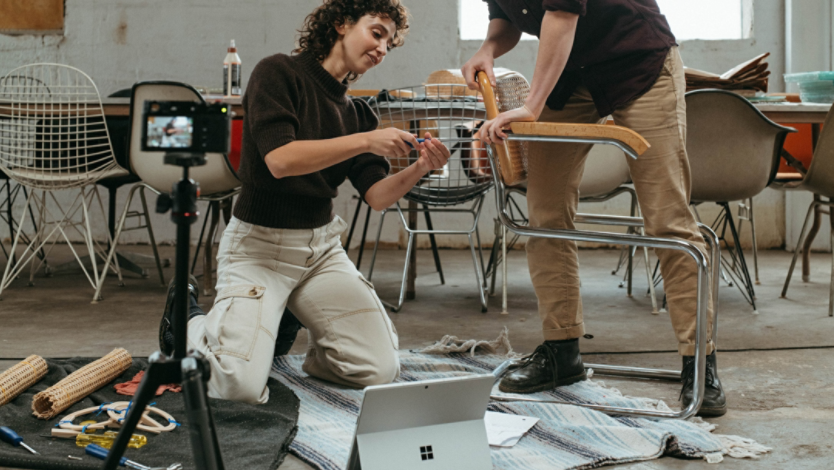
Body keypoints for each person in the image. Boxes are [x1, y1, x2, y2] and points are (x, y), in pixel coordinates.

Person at [159, 0, 453, 405]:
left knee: (377, 370)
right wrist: (367, 140)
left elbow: (378, 196)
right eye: (376, 32)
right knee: (236, 387)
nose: (382, 48)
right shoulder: (277, 73)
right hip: (258, 249)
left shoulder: (358, 113)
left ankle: (277, 324)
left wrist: (420, 167)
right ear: (341, 23)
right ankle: (188, 321)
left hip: (319, 253)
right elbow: (280, 160)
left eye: (390, 43)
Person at [461, 0, 725, 416]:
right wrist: (489, 48)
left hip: (640, 65)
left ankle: (699, 364)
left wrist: (531, 106)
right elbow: (507, 17)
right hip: (569, 72)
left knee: (667, 220)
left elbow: (562, 16)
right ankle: (562, 353)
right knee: (545, 216)